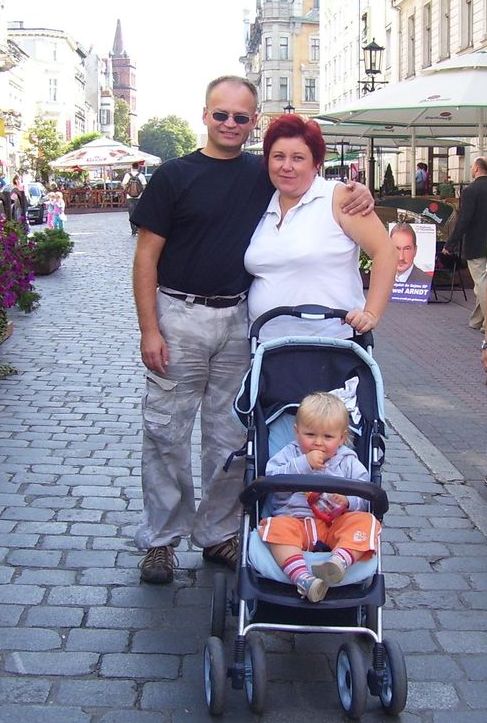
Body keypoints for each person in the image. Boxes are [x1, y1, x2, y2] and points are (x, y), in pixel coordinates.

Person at [130, 75, 375, 586]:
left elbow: (307, 177)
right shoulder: (174, 175)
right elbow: (146, 257)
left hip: (240, 321)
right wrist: (149, 328)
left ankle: (217, 532)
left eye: (241, 117)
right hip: (179, 315)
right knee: (167, 432)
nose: (230, 124)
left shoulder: (262, 172)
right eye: (221, 114)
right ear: (205, 114)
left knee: (231, 436)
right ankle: (161, 540)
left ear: (253, 122)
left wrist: (358, 191)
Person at [245, 114, 398, 341]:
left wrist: (371, 313)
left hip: (330, 343)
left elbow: (386, 251)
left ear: (316, 163)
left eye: (298, 158)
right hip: (266, 344)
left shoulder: (339, 198)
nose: (286, 166)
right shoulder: (263, 203)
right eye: (278, 157)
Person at [259, 392, 381, 603]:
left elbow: (365, 494)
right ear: (296, 432)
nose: (318, 443)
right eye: (310, 434)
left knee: (367, 522)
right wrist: (303, 464)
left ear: (341, 438)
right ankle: (303, 579)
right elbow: (272, 483)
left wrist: (348, 501)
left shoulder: (348, 462)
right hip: (295, 521)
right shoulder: (289, 455)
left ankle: (338, 563)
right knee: (274, 529)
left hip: (336, 526)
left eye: (328, 437)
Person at [443, 156, 487, 333]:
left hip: (476, 244)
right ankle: (477, 320)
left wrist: (450, 244)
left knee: (481, 283)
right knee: (483, 283)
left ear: (476, 169)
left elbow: (464, 220)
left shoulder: (470, 191)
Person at [122, 162, 147, 235]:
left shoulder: (127, 175)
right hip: (139, 197)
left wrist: (128, 191)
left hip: (129, 197)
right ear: (138, 167)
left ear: (131, 167)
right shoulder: (141, 175)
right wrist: (140, 192)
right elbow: (144, 186)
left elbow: (123, 184)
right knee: (139, 213)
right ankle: (138, 229)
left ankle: (133, 230)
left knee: (131, 213)